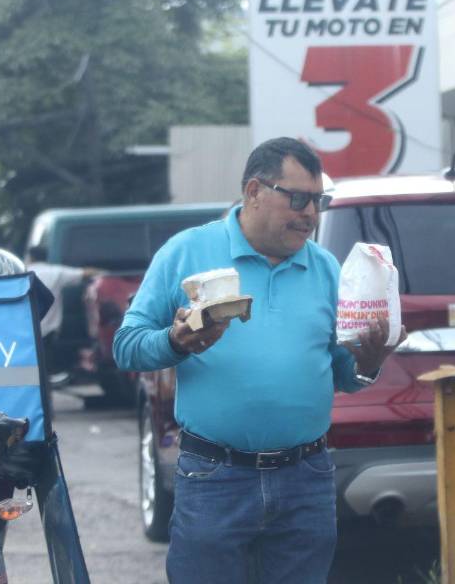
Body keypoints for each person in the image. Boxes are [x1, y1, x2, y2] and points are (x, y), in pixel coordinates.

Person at [113, 137, 406, 584]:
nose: (311, 214)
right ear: (254, 191)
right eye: (299, 199)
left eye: (319, 201)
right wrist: (176, 341)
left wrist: (368, 363)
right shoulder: (186, 252)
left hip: (305, 478)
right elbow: (126, 345)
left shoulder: (327, 269)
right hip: (215, 478)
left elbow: (343, 374)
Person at [25, 245, 101, 373]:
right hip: (49, 331)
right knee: (46, 367)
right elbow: (87, 273)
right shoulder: (56, 272)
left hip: (26, 329)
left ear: (30, 257)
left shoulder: (22, 272)